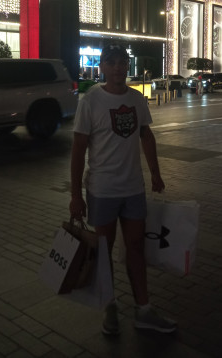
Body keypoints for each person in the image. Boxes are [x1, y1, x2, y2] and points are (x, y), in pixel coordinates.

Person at [69, 44, 177, 335]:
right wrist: (76, 195)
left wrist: (155, 173)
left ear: (127, 66)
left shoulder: (137, 99)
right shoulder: (90, 101)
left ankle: (144, 309)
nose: (118, 67)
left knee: (136, 247)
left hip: (133, 189)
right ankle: (110, 306)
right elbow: (78, 149)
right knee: (103, 252)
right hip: (102, 190)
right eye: (111, 62)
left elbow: (146, 135)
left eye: (122, 62)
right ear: (102, 67)